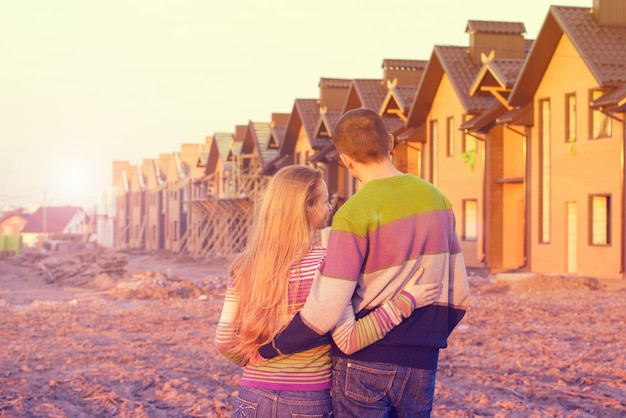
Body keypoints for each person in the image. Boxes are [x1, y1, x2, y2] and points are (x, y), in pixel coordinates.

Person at [257, 108, 471, 417]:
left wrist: (272, 348)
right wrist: (425, 338)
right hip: (422, 363)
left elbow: (327, 310)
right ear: (391, 143)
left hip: (364, 360)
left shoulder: (353, 213)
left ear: (344, 159)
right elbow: (460, 295)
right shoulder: (439, 201)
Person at [214, 165, 441, 418]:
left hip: (252, 396)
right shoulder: (325, 264)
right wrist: (404, 303)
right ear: (306, 209)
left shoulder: (243, 266)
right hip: (307, 402)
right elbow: (350, 339)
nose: (330, 207)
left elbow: (224, 342)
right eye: (324, 201)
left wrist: (251, 360)